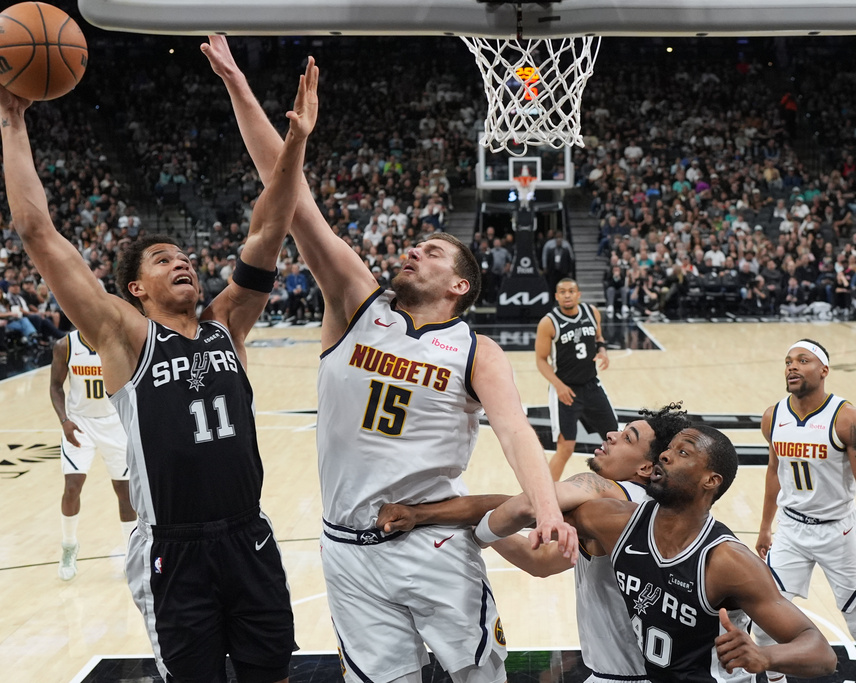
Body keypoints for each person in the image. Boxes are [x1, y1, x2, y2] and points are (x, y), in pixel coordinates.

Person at [204, 35, 574, 683]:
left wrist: (546, 509)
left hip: (432, 540)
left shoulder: (475, 349)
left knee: (479, 677)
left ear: (460, 285)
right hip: (348, 549)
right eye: (415, 246)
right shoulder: (356, 302)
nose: (413, 251)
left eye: (432, 252)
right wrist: (245, 91)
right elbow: (292, 199)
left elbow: (516, 432)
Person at [0, 49, 320, 682]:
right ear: (135, 289)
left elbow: (271, 225)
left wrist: (295, 142)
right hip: (172, 548)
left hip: (248, 534)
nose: (181, 261)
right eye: (163, 260)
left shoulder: (227, 324)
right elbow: (37, 232)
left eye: (184, 256)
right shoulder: (124, 337)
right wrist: (12, 117)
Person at [377, 403, 693, 683]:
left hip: (625, 676)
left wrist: (429, 516)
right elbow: (540, 561)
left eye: (627, 438)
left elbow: (528, 505)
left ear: (646, 468)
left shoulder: (602, 488)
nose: (612, 435)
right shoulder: (654, 508)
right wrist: (474, 522)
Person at [567, 425, 836, 682]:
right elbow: (547, 516)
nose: (665, 455)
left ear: (710, 480)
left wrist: (766, 656)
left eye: (683, 452)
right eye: (669, 448)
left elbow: (823, 655)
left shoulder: (727, 561)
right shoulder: (620, 523)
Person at [753, 339, 856, 683]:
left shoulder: (845, 418)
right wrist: (765, 526)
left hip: (839, 531)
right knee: (765, 620)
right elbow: (774, 472)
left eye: (802, 360)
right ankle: (776, 680)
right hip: (791, 531)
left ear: (824, 370)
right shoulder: (773, 416)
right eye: (788, 361)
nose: (792, 366)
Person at [49, 330, 135, 581]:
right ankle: (69, 546)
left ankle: (131, 552)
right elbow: (55, 386)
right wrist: (64, 420)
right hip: (80, 423)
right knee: (72, 487)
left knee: (125, 492)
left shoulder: (116, 341)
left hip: (114, 422)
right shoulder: (65, 345)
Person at [538, 277, 617, 480]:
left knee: (614, 438)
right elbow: (541, 360)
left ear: (578, 294)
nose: (567, 295)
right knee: (566, 448)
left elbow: (599, 338)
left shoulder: (592, 312)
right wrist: (559, 386)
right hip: (566, 390)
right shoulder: (548, 323)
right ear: (556, 296)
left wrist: (603, 351)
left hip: (592, 385)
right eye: (562, 292)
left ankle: (616, 486)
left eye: (571, 291)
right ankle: (544, 493)